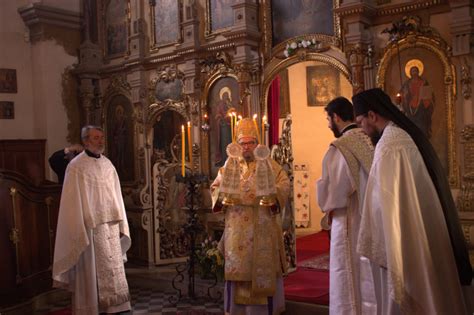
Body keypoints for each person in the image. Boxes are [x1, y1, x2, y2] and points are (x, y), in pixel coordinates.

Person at [352, 88, 472, 314]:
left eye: (360, 122)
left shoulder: (390, 145)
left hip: (405, 240)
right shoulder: (401, 135)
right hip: (420, 230)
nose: (362, 130)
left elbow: (383, 203)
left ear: (372, 115)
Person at [210, 118, 290, 314]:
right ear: (237, 144)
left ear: (257, 143)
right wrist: (223, 196)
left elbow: (284, 184)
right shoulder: (230, 165)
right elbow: (215, 186)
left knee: (261, 270)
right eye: (243, 143)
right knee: (239, 270)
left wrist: (271, 196)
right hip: (237, 228)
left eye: (250, 143)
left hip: (261, 224)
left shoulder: (268, 164)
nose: (246, 147)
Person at [52, 125, 132, 314]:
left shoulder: (108, 164)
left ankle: (115, 305)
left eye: (102, 137)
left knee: (112, 267)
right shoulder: (76, 166)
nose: (100, 141)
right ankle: (90, 307)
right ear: (86, 141)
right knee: (90, 270)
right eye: (96, 138)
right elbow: (73, 200)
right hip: (89, 227)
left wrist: (121, 219)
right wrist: (81, 222)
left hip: (110, 226)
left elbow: (116, 194)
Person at [317, 97, 376, 314]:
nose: (329, 124)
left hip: (348, 218)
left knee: (347, 270)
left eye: (328, 119)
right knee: (368, 269)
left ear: (337, 117)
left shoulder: (339, 147)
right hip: (370, 215)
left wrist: (322, 197)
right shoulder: (369, 140)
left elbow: (334, 191)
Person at [400, 65, 434, 138]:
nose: (414, 73)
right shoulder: (407, 84)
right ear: (410, 73)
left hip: (422, 105)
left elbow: (429, 93)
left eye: (416, 71)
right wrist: (404, 96)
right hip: (410, 107)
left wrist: (425, 100)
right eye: (413, 71)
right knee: (412, 124)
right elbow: (402, 94)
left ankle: (424, 136)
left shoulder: (424, 82)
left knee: (422, 123)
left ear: (418, 72)